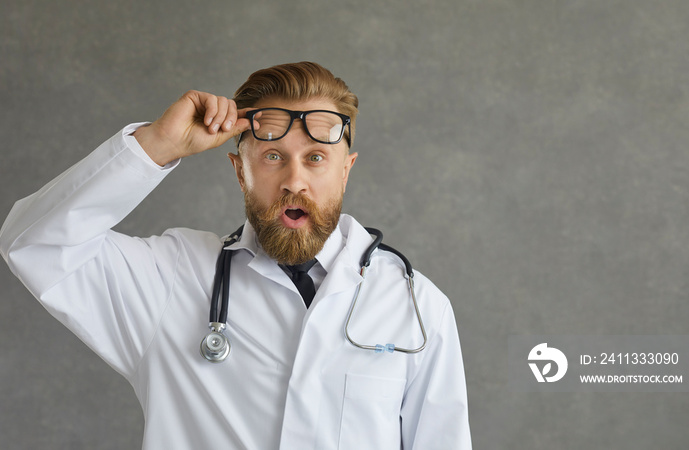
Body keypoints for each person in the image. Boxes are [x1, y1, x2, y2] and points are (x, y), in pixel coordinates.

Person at [0, 62, 471, 449]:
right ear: (238, 169)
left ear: (345, 170)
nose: (294, 181)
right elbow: (33, 243)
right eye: (271, 157)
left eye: (315, 158)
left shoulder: (417, 306)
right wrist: (158, 146)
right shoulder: (172, 279)